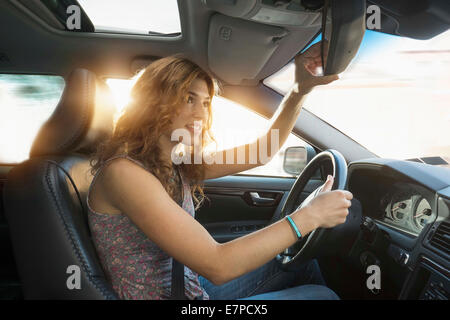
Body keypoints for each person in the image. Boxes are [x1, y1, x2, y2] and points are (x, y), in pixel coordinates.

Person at [87, 41, 353, 300]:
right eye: (189, 99)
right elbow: (218, 265)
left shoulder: (173, 162)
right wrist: (310, 216)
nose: (201, 115)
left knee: (300, 264)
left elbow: (263, 152)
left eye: (204, 103)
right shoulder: (125, 174)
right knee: (322, 296)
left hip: (191, 287)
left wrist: (298, 90)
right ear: (153, 101)